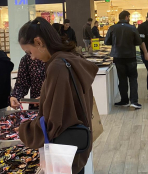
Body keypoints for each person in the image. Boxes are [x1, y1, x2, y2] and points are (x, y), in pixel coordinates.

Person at [18, 17, 98, 174]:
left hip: (64, 149)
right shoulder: (71, 58)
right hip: (77, 144)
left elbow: (54, 122)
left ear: (39, 42)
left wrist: (24, 130)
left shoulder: (57, 66)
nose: (32, 57)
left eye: (30, 52)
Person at [105, 11, 142, 109]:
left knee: (122, 79)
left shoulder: (112, 28)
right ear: (126, 17)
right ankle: (134, 101)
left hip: (118, 56)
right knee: (133, 79)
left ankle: (124, 100)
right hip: (131, 56)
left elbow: (107, 41)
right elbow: (138, 41)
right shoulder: (132, 28)